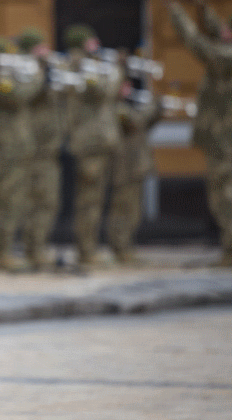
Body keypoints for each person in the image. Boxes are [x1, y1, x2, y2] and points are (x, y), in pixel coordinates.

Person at [168, 0, 232, 267]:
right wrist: (205, 11)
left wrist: (178, 15)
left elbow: (199, 45)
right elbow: (214, 34)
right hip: (225, 139)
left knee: (225, 194)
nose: (222, 34)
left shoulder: (228, 57)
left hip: (226, 141)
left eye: (227, 32)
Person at [64, 23, 123, 268]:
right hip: (91, 143)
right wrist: (117, 68)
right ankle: (86, 251)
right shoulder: (82, 66)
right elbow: (104, 91)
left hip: (98, 142)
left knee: (95, 200)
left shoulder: (87, 65)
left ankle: (90, 249)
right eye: (92, 41)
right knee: (89, 201)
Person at [0, 37, 45, 272]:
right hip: (6, 148)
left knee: (17, 201)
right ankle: (1, 252)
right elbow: (20, 96)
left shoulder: (8, 76)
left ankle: (9, 250)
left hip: (19, 148)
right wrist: (38, 73)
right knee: (8, 202)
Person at [108, 52, 163, 265]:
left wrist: (158, 111)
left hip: (137, 164)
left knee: (134, 211)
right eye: (124, 85)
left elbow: (145, 125)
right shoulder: (117, 108)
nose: (128, 89)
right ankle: (120, 248)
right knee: (123, 210)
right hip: (124, 166)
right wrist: (153, 106)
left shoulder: (128, 106)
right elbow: (135, 122)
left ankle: (127, 247)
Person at [22, 31, 70, 271]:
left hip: (51, 149)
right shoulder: (25, 72)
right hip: (34, 149)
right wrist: (40, 69)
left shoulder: (50, 71)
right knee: (35, 202)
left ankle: (40, 247)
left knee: (49, 203)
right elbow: (29, 94)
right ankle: (33, 250)